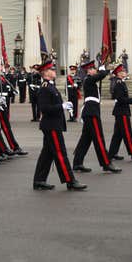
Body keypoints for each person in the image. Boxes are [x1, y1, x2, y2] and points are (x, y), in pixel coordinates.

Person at [33, 59, 86, 191]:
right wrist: (61, 106)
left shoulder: (51, 86)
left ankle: (39, 180)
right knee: (60, 152)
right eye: (51, 69)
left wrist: (64, 106)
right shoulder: (45, 88)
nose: (54, 71)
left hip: (53, 124)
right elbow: (44, 109)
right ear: (45, 73)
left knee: (47, 154)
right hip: (51, 126)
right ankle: (70, 180)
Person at [72, 60, 121, 174]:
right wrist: (103, 68)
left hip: (91, 111)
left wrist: (106, 69)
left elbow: (101, 75)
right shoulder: (89, 79)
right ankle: (106, 163)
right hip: (91, 112)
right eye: (94, 69)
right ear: (89, 70)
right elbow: (102, 75)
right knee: (99, 138)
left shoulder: (90, 81)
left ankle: (77, 163)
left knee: (85, 140)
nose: (96, 70)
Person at [108, 64, 132, 161]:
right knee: (127, 133)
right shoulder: (119, 83)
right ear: (119, 73)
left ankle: (112, 153)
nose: (125, 72)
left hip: (121, 111)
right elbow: (120, 99)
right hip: (122, 112)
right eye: (123, 71)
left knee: (118, 134)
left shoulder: (121, 82)